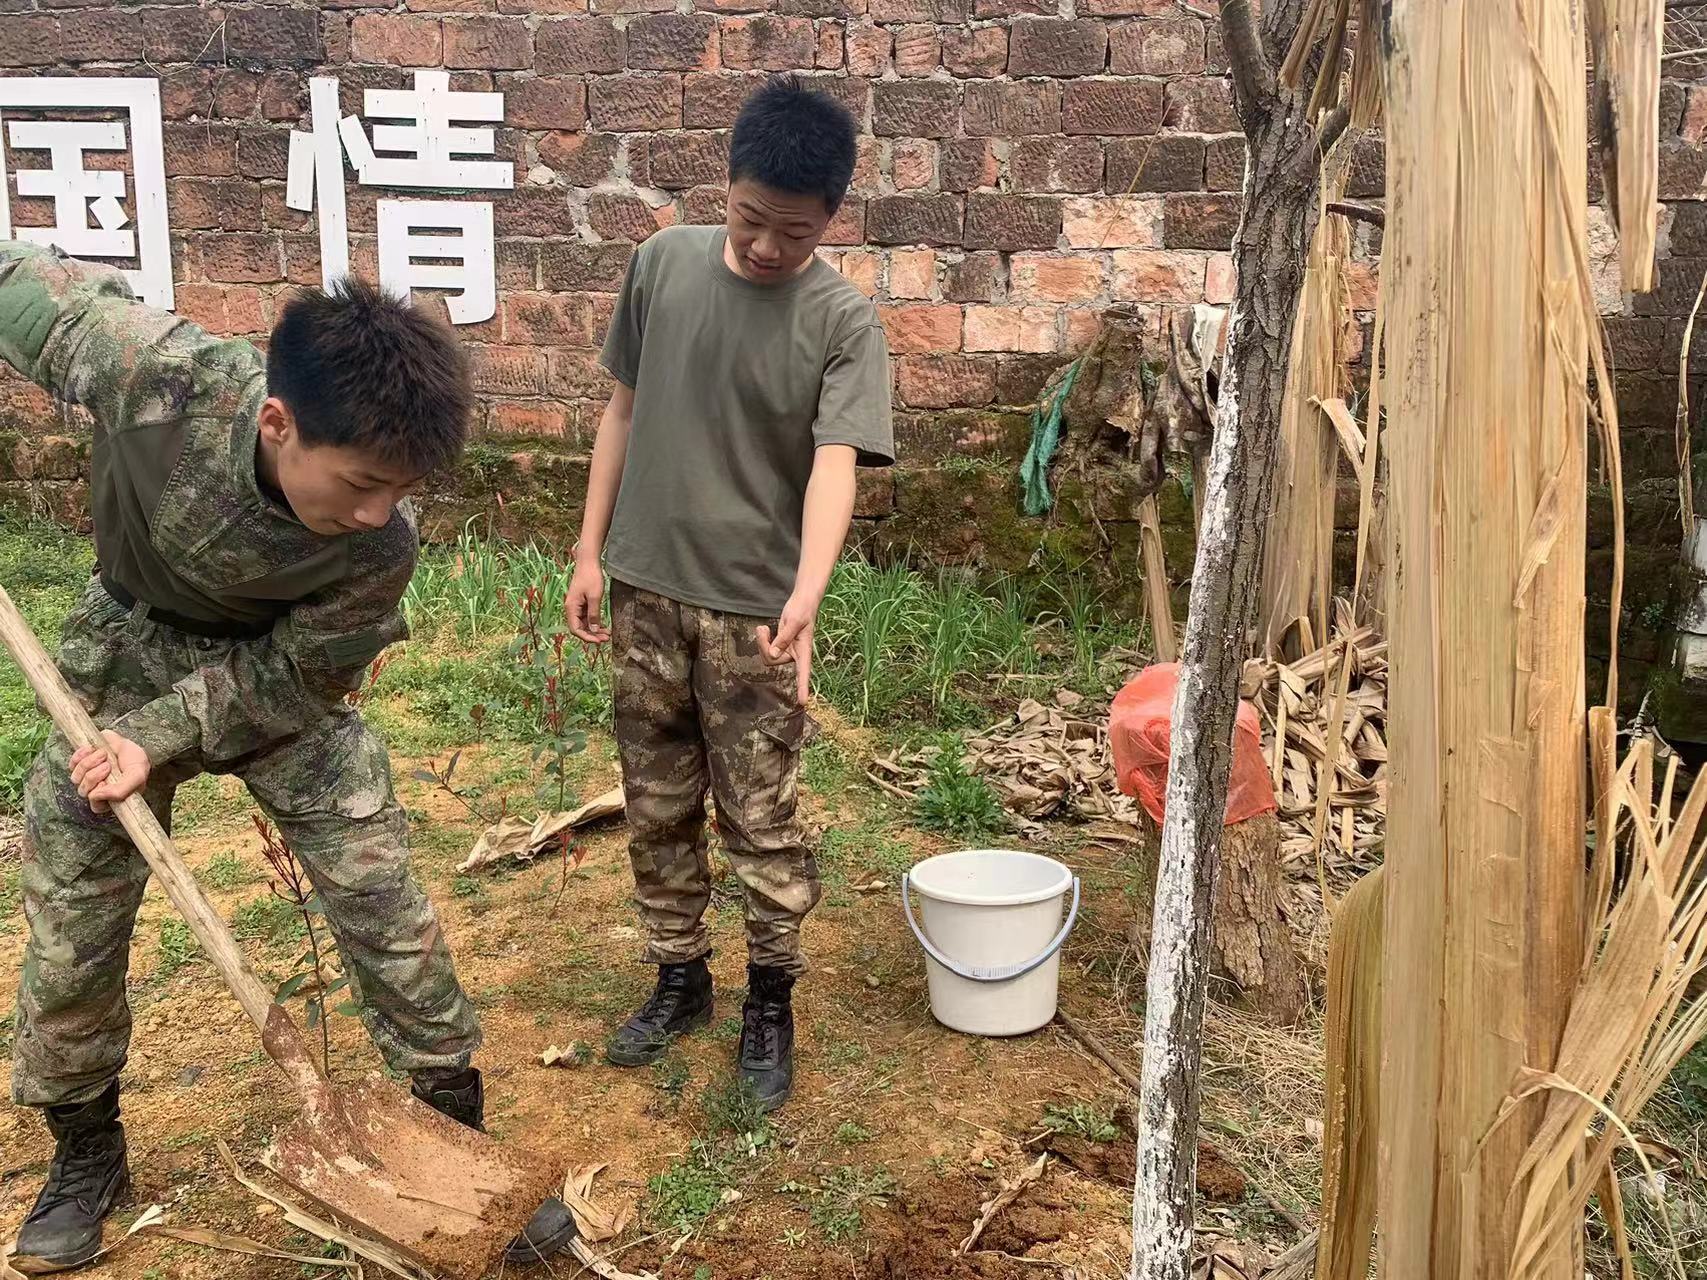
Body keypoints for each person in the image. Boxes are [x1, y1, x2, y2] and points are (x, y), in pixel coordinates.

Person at [0, 243, 575, 1271]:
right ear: (279, 422)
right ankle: (87, 1148)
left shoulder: (380, 545)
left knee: (380, 891)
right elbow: (13, 285)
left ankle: (454, 1127)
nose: (373, 513)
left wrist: (163, 734)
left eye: (396, 491)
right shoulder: (150, 372)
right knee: (71, 911)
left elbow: (298, 677)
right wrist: (129, 727)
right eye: (359, 482)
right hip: (125, 653)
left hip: (274, 683)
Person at [564, 74, 895, 1113]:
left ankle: (768, 997)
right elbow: (620, 412)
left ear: (829, 219)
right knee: (657, 800)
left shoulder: (841, 320)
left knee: (761, 817)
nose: (764, 248)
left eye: (791, 234)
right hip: (645, 589)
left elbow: (837, 460)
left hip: (755, 611)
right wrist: (588, 549)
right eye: (751, 221)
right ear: (728, 185)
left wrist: (808, 594)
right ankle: (678, 976)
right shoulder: (660, 265)